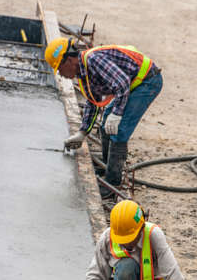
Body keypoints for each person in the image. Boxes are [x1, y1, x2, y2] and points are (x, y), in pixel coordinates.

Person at [45, 38, 163, 198]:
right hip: (133, 84)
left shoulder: (93, 61)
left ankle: (112, 183)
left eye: (59, 68)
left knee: (119, 129)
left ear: (69, 60)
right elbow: (93, 102)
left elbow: (122, 84)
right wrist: (82, 133)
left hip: (147, 81)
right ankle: (109, 168)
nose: (60, 74)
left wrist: (117, 114)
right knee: (105, 122)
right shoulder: (82, 73)